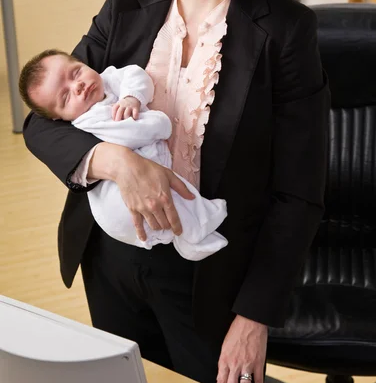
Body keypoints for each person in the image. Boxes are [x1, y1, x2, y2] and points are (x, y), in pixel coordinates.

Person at [23, 0, 330, 383]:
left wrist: (255, 315)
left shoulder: (288, 32)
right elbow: (46, 120)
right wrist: (115, 161)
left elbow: (299, 193)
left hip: (210, 274)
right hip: (111, 257)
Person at [19, 50, 228, 260]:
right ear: (59, 117)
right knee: (171, 196)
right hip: (116, 206)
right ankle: (194, 234)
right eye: (66, 97)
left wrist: (131, 97)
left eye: (75, 73)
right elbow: (133, 133)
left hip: (144, 173)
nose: (78, 85)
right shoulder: (89, 119)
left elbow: (136, 75)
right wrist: (159, 123)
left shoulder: (110, 78)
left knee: (173, 191)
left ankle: (194, 230)